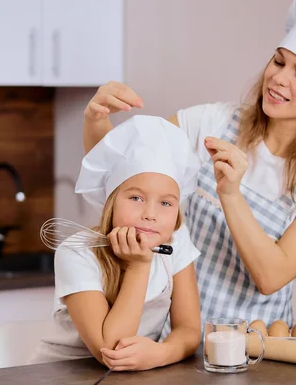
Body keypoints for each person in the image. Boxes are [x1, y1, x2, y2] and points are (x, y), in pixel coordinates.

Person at [81, 0, 296, 330]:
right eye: (278, 61)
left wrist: (230, 194)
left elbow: (271, 276)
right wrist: (95, 119)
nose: (279, 78)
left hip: (251, 352)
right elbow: (120, 175)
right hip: (164, 338)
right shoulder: (213, 121)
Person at [29, 115, 203, 371]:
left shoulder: (175, 243)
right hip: (60, 376)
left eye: (166, 203)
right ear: (111, 202)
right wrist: (139, 266)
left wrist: (161, 353)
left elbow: (188, 330)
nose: (150, 214)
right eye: (136, 198)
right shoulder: (77, 253)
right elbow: (110, 351)